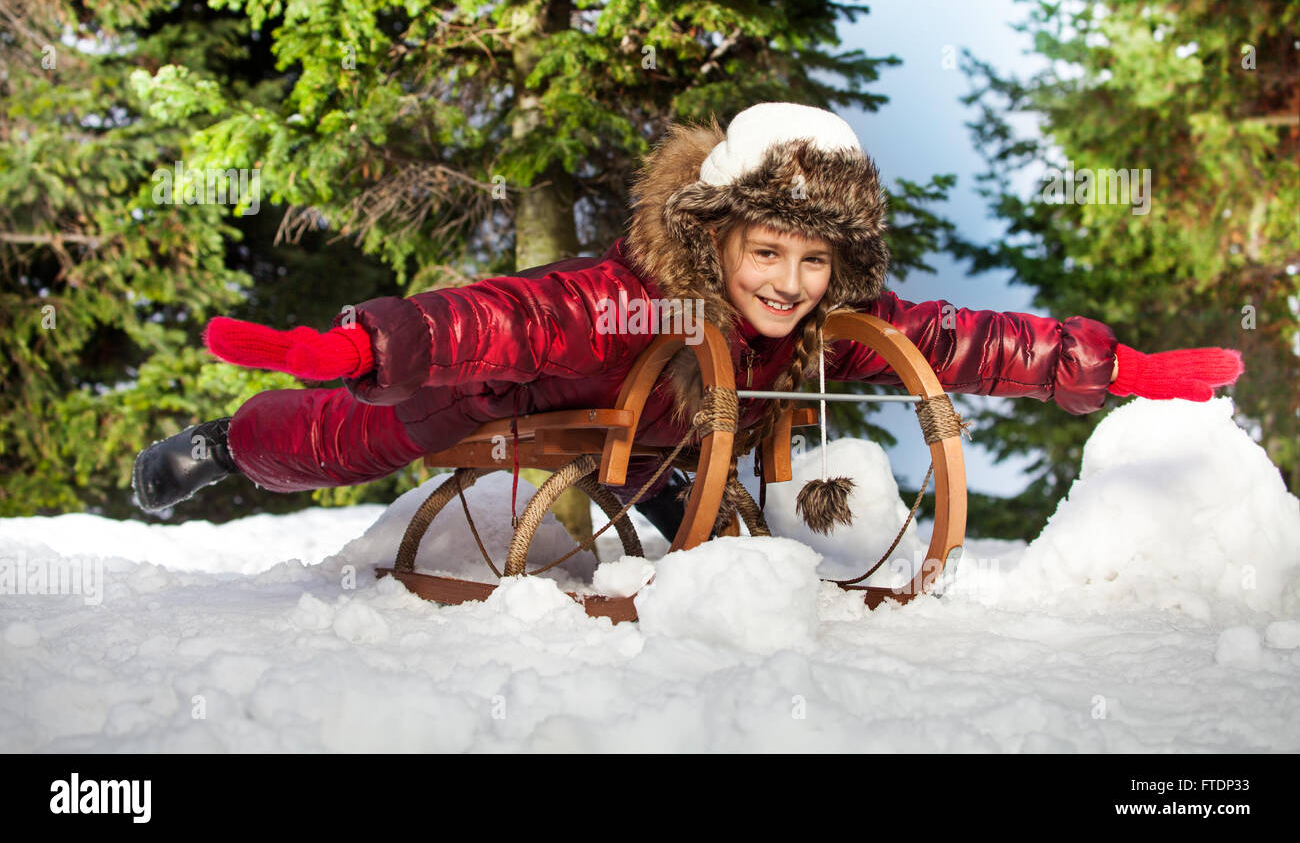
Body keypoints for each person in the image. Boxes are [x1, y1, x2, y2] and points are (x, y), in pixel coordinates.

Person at [131, 103, 1244, 539]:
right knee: (355, 437)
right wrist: (370, 344)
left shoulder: (814, 311)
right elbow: (501, 316)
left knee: (706, 529)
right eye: (768, 252)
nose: (791, 280)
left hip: (667, 446)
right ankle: (222, 443)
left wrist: (1116, 364)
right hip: (519, 394)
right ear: (716, 240)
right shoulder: (637, 295)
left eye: (814, 259)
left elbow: (962, 341)